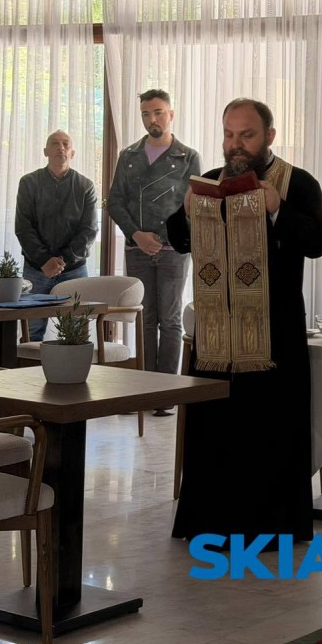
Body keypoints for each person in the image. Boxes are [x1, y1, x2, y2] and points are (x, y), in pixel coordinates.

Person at [167, 97, 322, 543]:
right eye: (229, 134)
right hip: (216, 337)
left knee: (270, 433)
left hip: (274, 336)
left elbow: (318, 242)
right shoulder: (210, 182)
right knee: (214, 430)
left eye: (247, 135)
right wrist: (185, 213)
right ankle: (209, 524)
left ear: (269, 136)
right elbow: (178, 239)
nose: (235, 144)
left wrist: (277, 208)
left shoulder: (298, 182)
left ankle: (271, 528)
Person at [108, 89, 201, 414]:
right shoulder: (129, 155)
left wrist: (162, 238)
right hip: (136, 247)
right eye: (146, 114)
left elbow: (194, 205)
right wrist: (136, 234)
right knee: (145, 318)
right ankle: (145, 389)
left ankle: (166, 394)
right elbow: (115, 201)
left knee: (170, 320)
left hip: (174, 248)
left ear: (170, 114)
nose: (153, 119)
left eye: (158, 112)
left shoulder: (188, 156)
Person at [15, 130, 99, 341]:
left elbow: (89, 230)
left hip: (74, 269)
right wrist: (44, 260)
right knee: (31, 332)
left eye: (65, 144)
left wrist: (62, 260)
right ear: (45, 151)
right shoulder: (28, 183)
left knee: (76, 333)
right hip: (36, 269)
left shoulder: (85, 186)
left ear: (73, 153)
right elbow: (23, 227)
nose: (60, 148)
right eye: (54, 143)